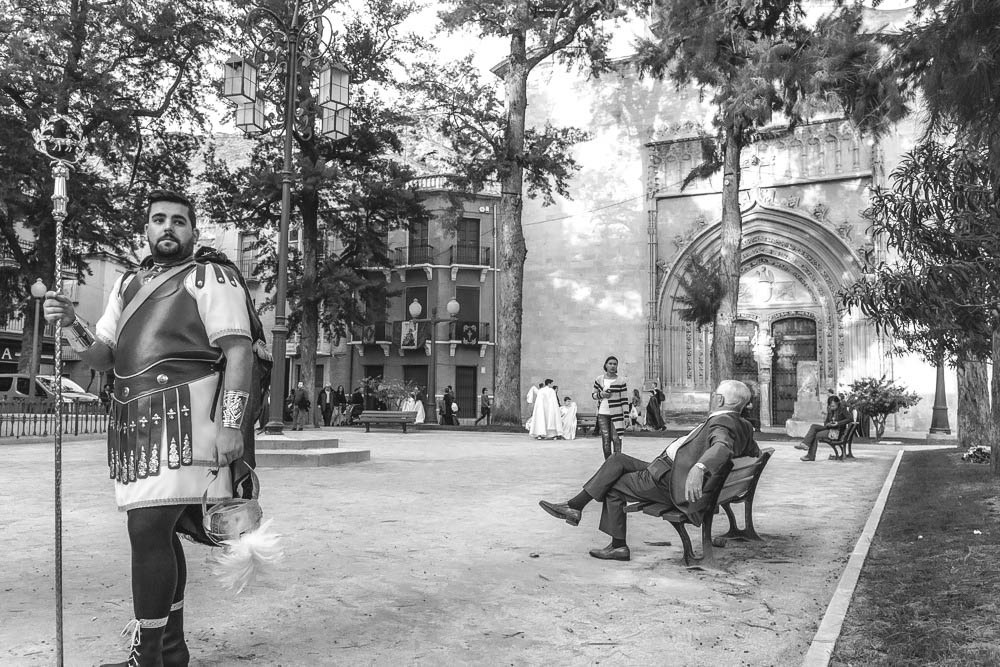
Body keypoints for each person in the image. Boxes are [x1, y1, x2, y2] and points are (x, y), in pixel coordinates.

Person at [42, 189, 258, 665]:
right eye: (158, 220)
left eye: (178, 221)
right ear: (146, 230)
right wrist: (70, 322)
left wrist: (231, 425)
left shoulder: (212, 277)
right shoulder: (127, 284)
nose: (168, 228)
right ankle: (170, 653)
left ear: (193, 232)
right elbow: (103, 355)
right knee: (158, 533)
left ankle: (148, 656)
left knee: (147, 529)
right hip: (134, 425)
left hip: (190, 419)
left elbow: (239, 351)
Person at [539, 380, 760, 562]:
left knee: (612, 484)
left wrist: (700, 467)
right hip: (668, 471)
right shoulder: (743, 425)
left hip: (670, 481)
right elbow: (754, 452)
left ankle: (617, 545)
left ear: (720, 400)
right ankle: (575, 506)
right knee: (617, 461)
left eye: (715, 395)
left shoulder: (722, 423)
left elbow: (722, 446)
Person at [796, 394, 852, 461]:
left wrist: (838, 423)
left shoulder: (842, 409)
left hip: (836, 432)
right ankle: (805, 444)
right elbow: (826, 421)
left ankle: (810, 456)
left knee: (815, 435)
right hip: (830, 428)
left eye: (833, 406)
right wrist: (828, 424)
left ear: (838, 403)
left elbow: (850, 419)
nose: (831, 407)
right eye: (830, 406)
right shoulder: (829, 409)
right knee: (813, 426)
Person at [593, 356, 628, 459]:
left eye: (615, 364)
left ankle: (618, 462)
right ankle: (608, 464)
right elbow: (594, 395)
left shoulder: (621, 380)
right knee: (606, 439)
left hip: (617, 414)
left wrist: (626, 416)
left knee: (616, 438)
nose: (612, 366)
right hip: (603, 413)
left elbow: (624, 400)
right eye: (610, 363)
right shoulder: (599, 379)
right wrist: (601, 394)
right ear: (606, 365)